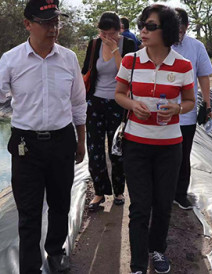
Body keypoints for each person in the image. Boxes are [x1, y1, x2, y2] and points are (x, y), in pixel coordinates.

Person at [0, 0, 87, 273]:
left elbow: (78, 104)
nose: (53, 29)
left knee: (61, 203)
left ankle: (56, 253)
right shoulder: (12, 59)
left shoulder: (69, 58)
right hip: (27, 146)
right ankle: (29, 266)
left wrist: (81, 141)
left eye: (56, 22)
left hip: (62, 141)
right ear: (28, 24)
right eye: (46, 23)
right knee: (29, 211)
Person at [114, 4, 196, 274]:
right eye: (142, 25)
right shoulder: (131, 61)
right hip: (136, 144)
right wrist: (132, 104)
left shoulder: (183, 65)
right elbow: (119, 93)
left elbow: (189, 101)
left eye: (151, 26)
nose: (143, 31)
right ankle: (138, 264)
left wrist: (177, 109)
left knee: (162, 204)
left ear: (167, 30)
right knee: (139, 206)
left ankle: (157, 250)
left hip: (170, 146)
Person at [82, 12, 135, 212]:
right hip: (95, 101)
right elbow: (85, 71)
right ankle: (99, 192)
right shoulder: (94, 44)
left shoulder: (128, 45)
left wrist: (114, 50)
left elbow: (127, 74)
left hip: (118, 102)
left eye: (111, 33)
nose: (107, 37)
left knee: (117, 148)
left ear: (119, 30)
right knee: (94, 148)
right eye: (103, 33)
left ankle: (119, 191)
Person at [172, 7, 212, 210]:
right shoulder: (160, 44)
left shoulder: (196, 47)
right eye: (174, 28)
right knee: (162, 155)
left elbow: (204, 77)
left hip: (186, 114)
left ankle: (180, 194)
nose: (177, 33)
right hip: (162, 113)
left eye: (181, 29)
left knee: (183, 155)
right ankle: (161, 193)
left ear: (187, 27)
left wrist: (207, 106)